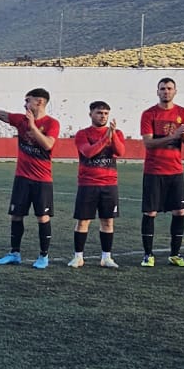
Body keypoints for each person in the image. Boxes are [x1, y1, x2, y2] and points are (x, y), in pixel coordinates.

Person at [0, 78, 59, 270]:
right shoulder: (20, 120)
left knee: (42, 218)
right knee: (16, 216)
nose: (25, 104)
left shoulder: (52, 123)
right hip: (22, 178)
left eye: (27, 100)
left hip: (42, 180)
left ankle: (43, 256)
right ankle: (14, 253)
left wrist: (32, 126)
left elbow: (48, 144)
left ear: (39, 102)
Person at [139, 77, 184, 267]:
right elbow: (148, 143)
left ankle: (175, 255)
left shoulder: (182, 112)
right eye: (162, 89)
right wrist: (173, 136)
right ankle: (148, 255)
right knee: (150, 212)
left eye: (169, 88)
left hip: (175, 170)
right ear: (157, 92)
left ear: (175, 91)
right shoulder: (149, 114)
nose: (166, 92)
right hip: (154, 171)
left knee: (179, 211)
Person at [69, 100, 126, 268]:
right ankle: (78, 257)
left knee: (108, 221)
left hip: (109, 184)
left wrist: (112, 135)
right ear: (91, 114)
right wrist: (105, 138)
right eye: (99, 113)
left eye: (106, 113)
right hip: (88, 184)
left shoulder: (117, 133)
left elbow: (120, 152)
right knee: (83, 221)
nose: (103, 116)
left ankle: (106, 257)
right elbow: (88, 152)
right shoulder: (82, 134)